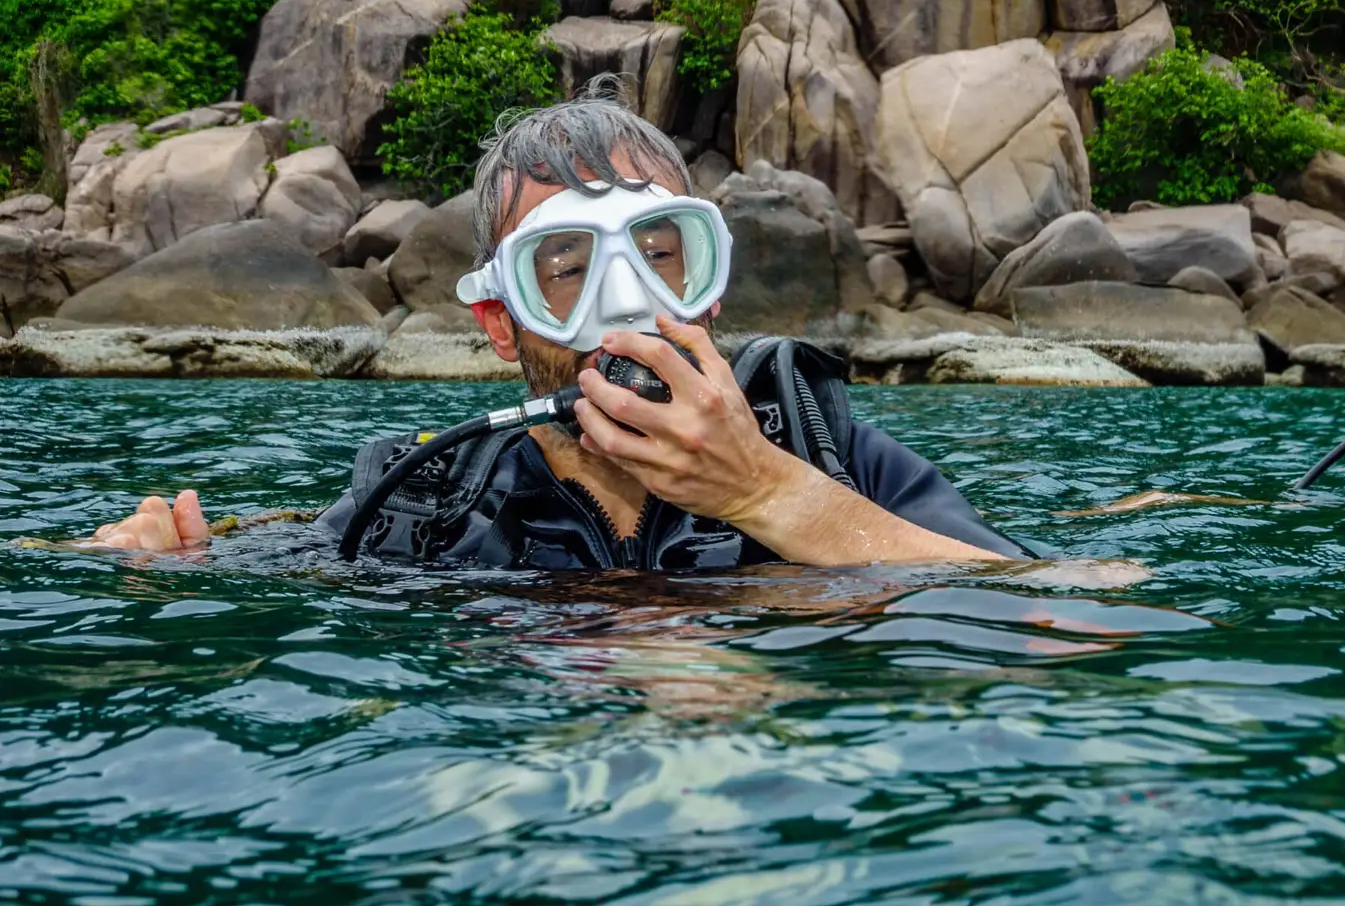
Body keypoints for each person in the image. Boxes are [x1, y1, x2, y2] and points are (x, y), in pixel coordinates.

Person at [85, 87, 1027, 568]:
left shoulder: (823, 450)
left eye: (662, 256)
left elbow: (1076, 605)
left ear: (708, 276)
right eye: (567, 270)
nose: (627, 305)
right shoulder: (427, 508)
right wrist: (165, 555)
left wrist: (771, 496)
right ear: (500, 321)